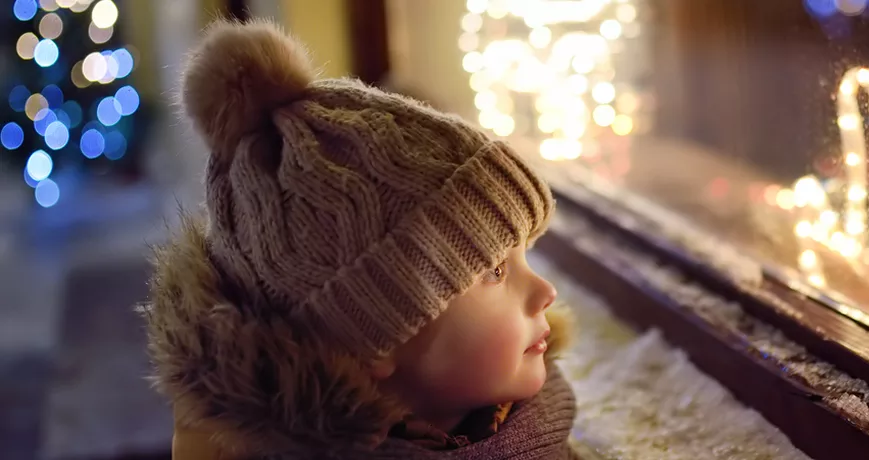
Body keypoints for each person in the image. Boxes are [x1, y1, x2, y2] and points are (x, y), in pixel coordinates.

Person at [140, 19, 577, 459]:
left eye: (523, 255)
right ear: (374, 340)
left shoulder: (536, 419)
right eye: (495, 271)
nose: (546, 291)